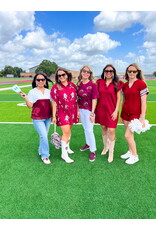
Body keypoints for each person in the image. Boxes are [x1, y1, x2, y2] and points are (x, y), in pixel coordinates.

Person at [20, 73, 53, 164]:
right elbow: (30, 106)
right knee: (44, 136)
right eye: (38, 80)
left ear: (45, 81)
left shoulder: (48, 91)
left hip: (47, 117)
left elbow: (51, 104)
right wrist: (26, 98)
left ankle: (41, 150)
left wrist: (54, 115)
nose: (40, 81)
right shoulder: (32, 92)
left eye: (42, 79)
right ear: (35, 81)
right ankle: (45, 156)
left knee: (44, 135)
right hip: (37, 118)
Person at [120, 63, 149, 164]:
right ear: (127, 72)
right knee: (130, 135)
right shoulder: (125, 85)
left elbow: (144, 102)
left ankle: (135, 156)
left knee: (127, 135)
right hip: (125, 113)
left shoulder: (141, 83)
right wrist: (121, 114)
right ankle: (130, 151)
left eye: (134, 71)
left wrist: (142, 117)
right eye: (129, 71)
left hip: (135, 114)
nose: (131, 73)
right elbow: (124, 100)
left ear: (137, 72)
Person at [95, 64, 124, 163]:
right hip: (101, 109)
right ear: (104, 72)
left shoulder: (117, 83)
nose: (108, 73)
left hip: (112, 110)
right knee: (103, 128)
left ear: (113, 72)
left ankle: (111, 152)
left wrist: (116, 111)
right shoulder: (99, 82)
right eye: (106, 71)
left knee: (111, 130)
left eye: (111, 71)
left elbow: (119, 98)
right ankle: (105, 147)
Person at [50, 68, 79, 163]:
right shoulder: (55, 87)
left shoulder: (73, 85)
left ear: (67, 75)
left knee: (69, 131)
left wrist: (77, 111)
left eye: (63, 74)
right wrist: (54, 116)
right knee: (66, 133)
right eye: (59, 75)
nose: (61, 77)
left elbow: (76, 100)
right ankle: (64, 154)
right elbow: (54, 102)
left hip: (72, 111)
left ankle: (67, 148)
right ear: (57, 77)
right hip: (62, 112)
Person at [77, 65, 99, 162]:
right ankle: (88, 143)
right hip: (81, 109)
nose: (86, 73)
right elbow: (77, 99)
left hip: (89, 110)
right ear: (81, 72)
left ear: (90, 74)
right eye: (84, 71)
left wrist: (92, 113)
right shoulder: (78, 84)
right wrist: (77, 111)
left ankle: (93, 151)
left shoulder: (93, 85)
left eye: (88, 72)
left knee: (90, 130)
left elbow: (94, 99)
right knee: (85, 128)